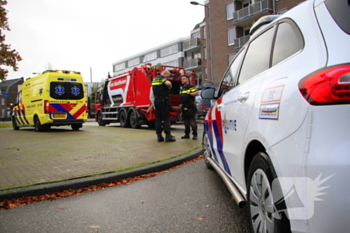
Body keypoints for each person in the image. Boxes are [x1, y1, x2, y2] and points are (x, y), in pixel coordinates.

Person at [151, 69, 176, 142]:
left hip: (156, 100)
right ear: (165, 73)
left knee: (158, 119)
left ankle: (159, 136)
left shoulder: (154, 79)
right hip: (163, 101)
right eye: (168, 76)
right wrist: (170, 86)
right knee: (166, 118)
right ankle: (168, 136)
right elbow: (168, 83)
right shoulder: (162, 78)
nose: (168, 77)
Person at [179, 75, 199, 140]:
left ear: (188, 80)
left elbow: (197, 93)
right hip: (184, 106)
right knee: (185, 121)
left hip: (190, 106)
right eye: (182, 79)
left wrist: (189, 93)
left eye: (184, 79)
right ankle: (186, 134)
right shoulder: (182, 88)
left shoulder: (191, 87)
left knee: (192, 120)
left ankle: (195, 134)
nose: (182, 80)